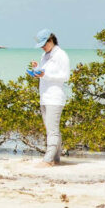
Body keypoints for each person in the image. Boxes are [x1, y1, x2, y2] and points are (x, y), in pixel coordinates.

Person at [31, 29, 70, 166]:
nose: (43, 47)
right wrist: (37, 69)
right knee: (51, 129)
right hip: (44, 97)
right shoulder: (44, 55)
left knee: (52, 130)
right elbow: (44, 72)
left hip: (55, 97)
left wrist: (44, 75)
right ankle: (56, 159)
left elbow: (65, 76)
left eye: (44, 44)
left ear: (51, 40)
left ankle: (48, 159)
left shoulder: (61, 55)